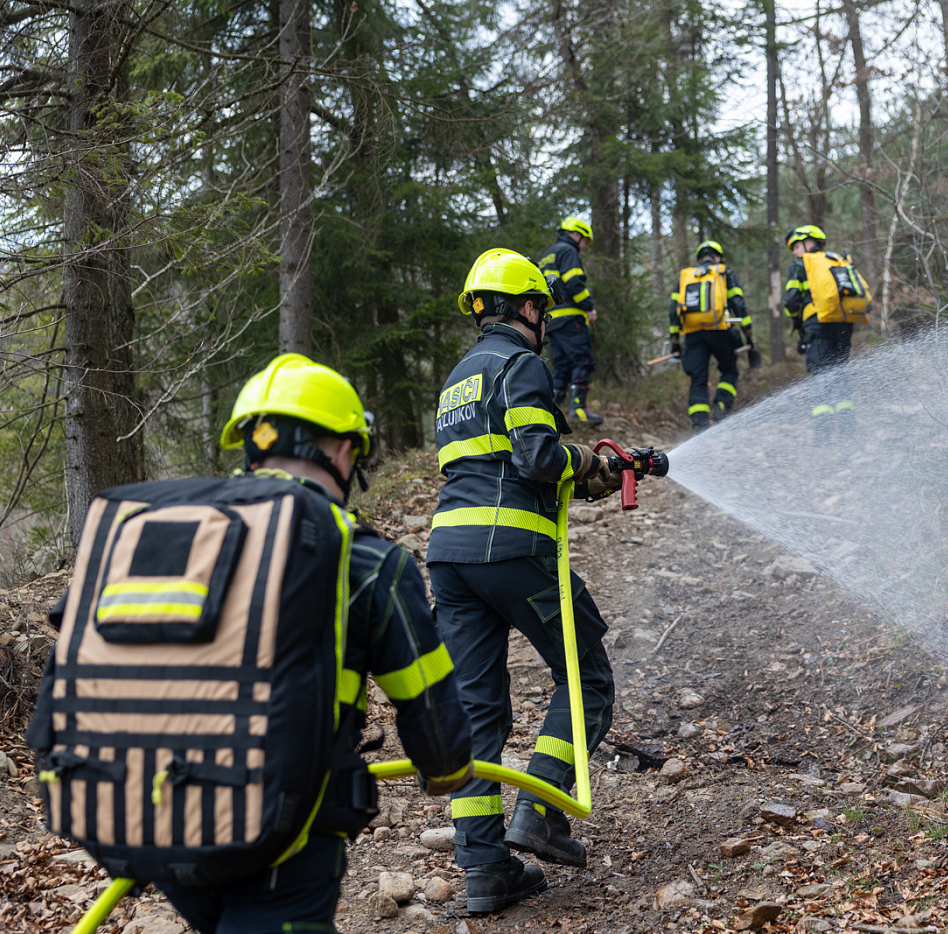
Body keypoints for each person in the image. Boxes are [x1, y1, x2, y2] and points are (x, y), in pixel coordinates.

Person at [159, 355, 475, 933]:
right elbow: (431, 709)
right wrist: (447, 772)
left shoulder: (180, 539)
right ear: (342, 451)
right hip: (282, 836)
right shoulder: (365, 561)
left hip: (157, 821)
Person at [427, 249, 620, 913]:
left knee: (475, 712)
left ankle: (485, 870)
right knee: (587, 677)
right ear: (527, 307)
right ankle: (540, 808)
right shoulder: (521, 363)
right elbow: (538, 456)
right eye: (541, 307)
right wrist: (586, 458)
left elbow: (493, 464)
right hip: (511, 549)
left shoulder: (457, 380)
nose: (544, 319)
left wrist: (587, 479)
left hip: (451, 559)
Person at [783, 224, 870, 443]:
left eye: (796, 246)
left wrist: (795, 316)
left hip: (817, 324)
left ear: (809, 243)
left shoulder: (801, 265)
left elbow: (791, 301)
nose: (794, 252)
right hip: (844, 323)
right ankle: (848, 430)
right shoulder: (836, 260)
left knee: (820, 374)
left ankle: (823, 433)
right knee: (839, 373)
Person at [668, 240, 760, 431]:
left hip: (693, 335)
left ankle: (699, 423)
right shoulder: (724, 273)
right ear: (718, 257)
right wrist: (748, 334)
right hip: (719, 331)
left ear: (700, 259)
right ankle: (721, 407)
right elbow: (738, 304)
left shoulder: (685, 277)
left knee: (698, 378)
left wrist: (675, 342)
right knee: (729, 370)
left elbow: (673, 312)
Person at [538, 216, 602, 426]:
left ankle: (551, 412)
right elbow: (574, 282)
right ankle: (579, 409)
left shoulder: (548, 255)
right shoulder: (568, 251)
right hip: (570, 317)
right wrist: (589, 306)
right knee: (582, 360)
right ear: (575, 234)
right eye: (585, 241)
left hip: (552, 320)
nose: (585, 247)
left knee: (562, 366)